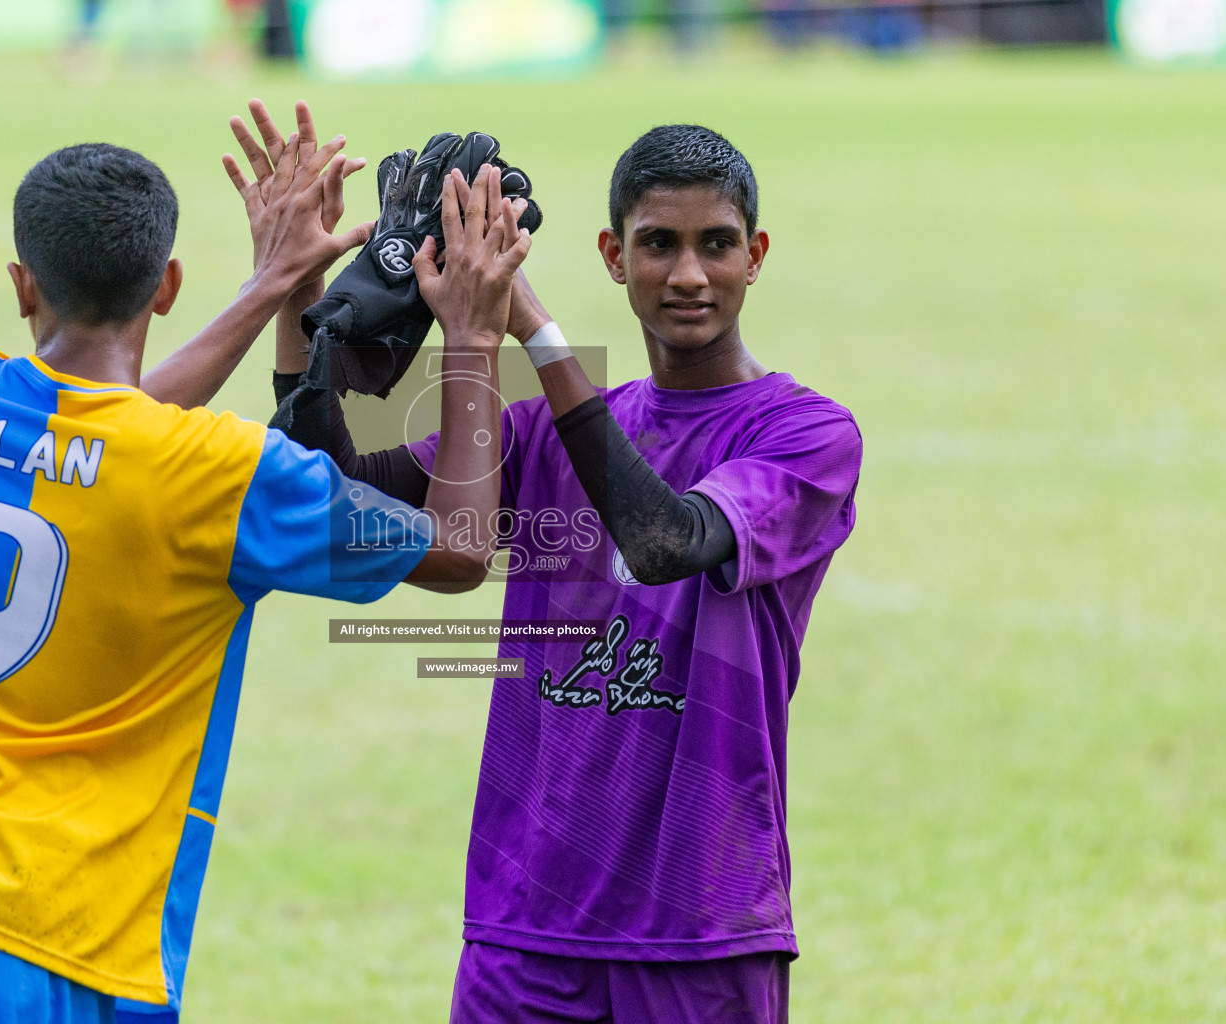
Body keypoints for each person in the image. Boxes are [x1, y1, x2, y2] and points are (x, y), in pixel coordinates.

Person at [0, 103, 532, 1024]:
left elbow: (104, 429)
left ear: (23, 285)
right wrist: (473, 340)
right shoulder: (231, 477)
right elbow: (463, 549)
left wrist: (273, 287)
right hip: (54, 939)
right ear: (167, 285)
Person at [267, 122, 863, 1022]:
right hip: (525, 925)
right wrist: (305, 303)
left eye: (717, 245)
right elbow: (343, 490)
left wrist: (525, 325)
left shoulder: (806, 435)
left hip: (700, 930)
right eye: (659, 244)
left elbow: (664, 541)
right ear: (615, 257)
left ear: (758, 255)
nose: (690, 274)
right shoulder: (543, 427)